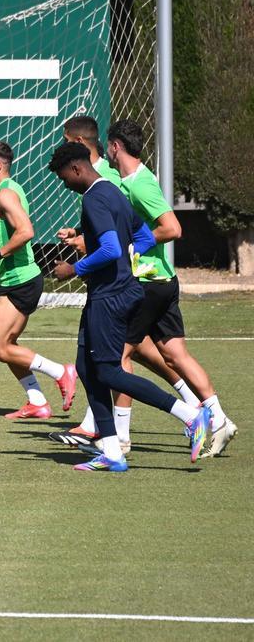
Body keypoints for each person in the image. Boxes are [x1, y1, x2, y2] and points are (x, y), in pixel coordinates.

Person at [48, 141, 211, 471]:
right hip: (114, 291)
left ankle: (190, 414)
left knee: (108, 371)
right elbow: (146, 236)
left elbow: (109, 249)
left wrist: (73, 269)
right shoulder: (114, 191)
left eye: (64, 177)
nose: (64, 184)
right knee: (86, 366)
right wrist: (129, 256)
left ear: (77, 168)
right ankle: (111, 451)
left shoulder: (94, 197)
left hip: (110, 296)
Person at [106, 120, 235, 456]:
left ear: (116, 146)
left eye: (109, 145)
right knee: (175, 354)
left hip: (147, 284)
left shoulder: (139, 184)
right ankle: (219, 419)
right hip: (161, 281)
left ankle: (119, 437)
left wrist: (135, 245)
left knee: (117, 359)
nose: (107, 151)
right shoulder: (132, 181)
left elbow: (173, 228)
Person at [0, 141, 78, 419]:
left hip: (20, 280)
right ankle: (37, 401)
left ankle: (61, 372)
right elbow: (11, 230)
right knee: (9, 347)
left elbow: (26, 231)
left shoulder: (4, 195)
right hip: (20, 278)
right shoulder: (8, 190)